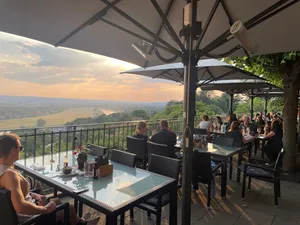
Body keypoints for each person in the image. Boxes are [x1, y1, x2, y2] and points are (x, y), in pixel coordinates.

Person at [0, 133, 98, 225]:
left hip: (26, 212)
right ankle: (82, 223)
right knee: (69, 207)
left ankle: (81, 221)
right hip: (31, 220)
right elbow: (20, 207)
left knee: (57, 201)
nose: (21, 151)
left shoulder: (3, 169)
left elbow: (14, 195)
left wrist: (34, 195)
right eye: (20, 148)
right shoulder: (10, 175)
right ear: (13, 150)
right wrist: (45, 209)